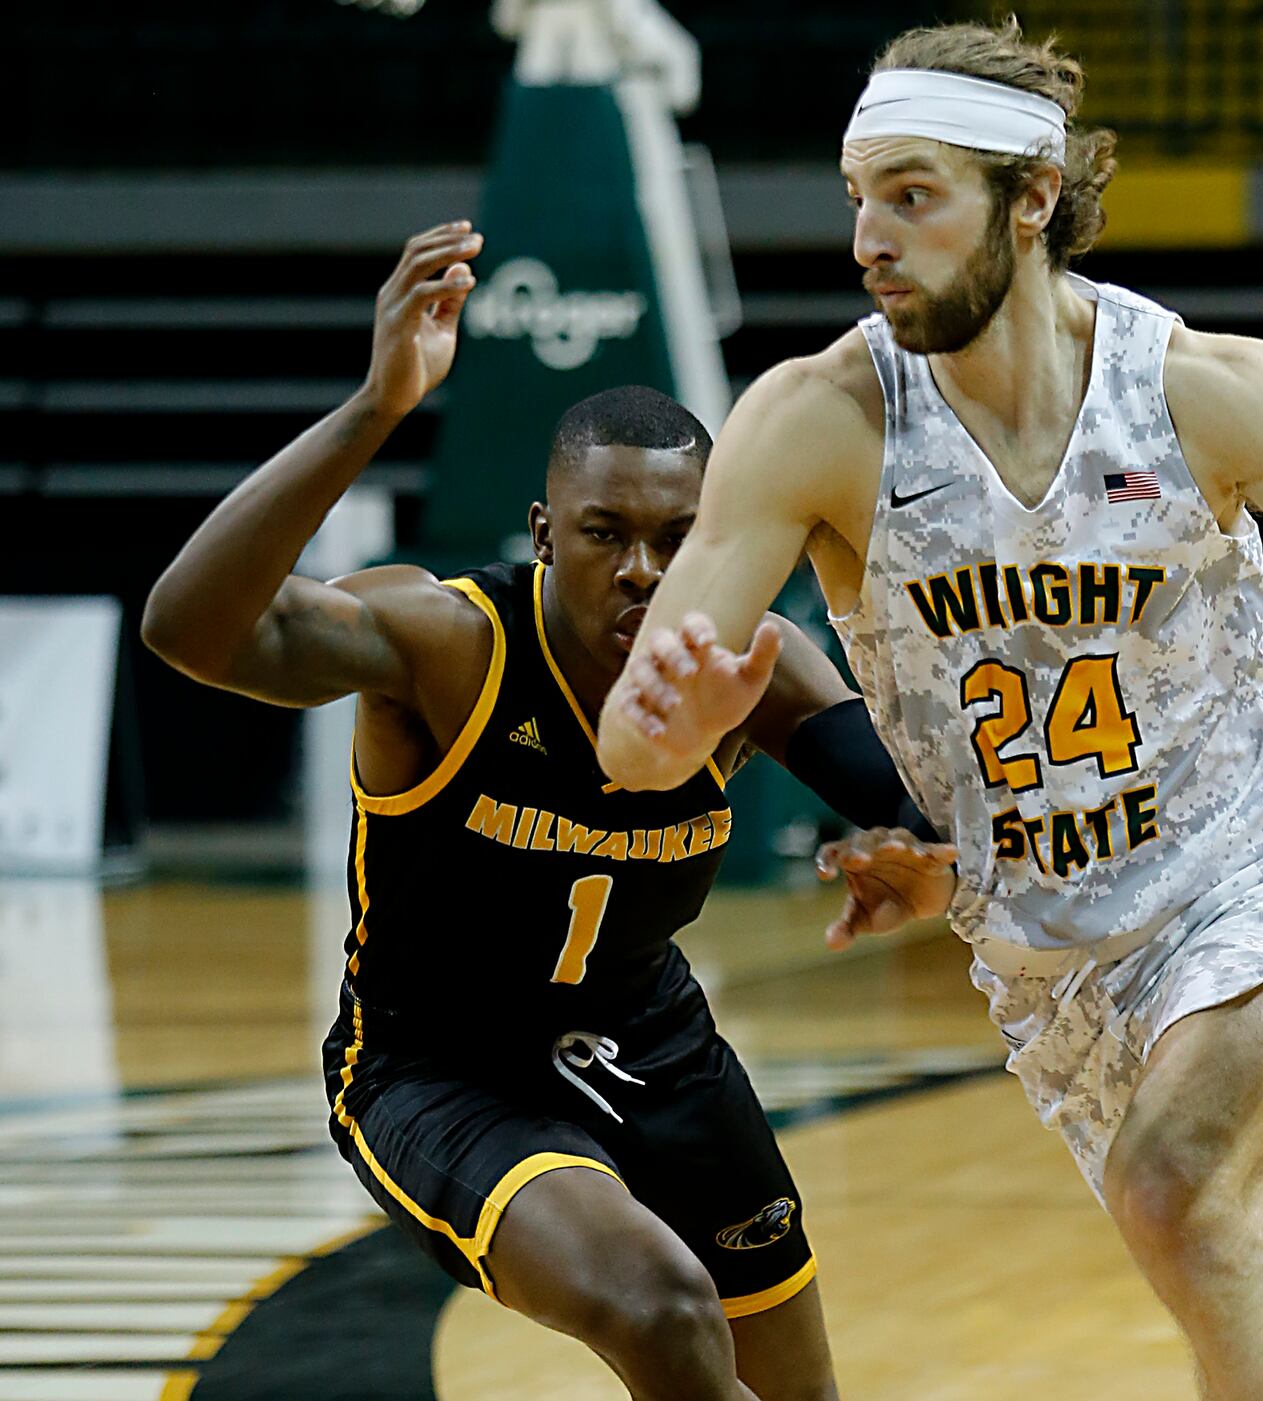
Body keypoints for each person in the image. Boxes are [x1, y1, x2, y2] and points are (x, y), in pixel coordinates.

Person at [595, 20, 1263, 1401]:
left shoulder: (1205, 391)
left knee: (1178, 1191)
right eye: (857, 197)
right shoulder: (814, 421)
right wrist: (672, 722)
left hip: (1255, 888)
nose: (870, 236)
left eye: (914, 195)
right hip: (1053, 969)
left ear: (1034, 198)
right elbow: (635, 751)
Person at [141, 224, 954, 1401]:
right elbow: (189, 630)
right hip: (438, 1070)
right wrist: (377, 408)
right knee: (663, 1310)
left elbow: (921, 811)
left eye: (678, 540)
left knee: (796, 1383)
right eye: (605, 535)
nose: (641, 570)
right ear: (541, 536)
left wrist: (908, 861)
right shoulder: (445, 644)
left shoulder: (744, 670)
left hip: (657, 1049)